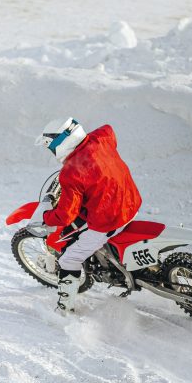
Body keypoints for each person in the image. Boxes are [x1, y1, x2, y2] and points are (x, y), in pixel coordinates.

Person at [34, 118, 142, 315]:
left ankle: (64, 308)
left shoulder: (71, 172)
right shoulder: (102, 138)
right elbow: (109, 129)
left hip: (111, 219)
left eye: (51, 148)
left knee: (69, 259)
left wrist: (47, 218)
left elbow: (66, 215)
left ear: (61, 144)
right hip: (131, 201)